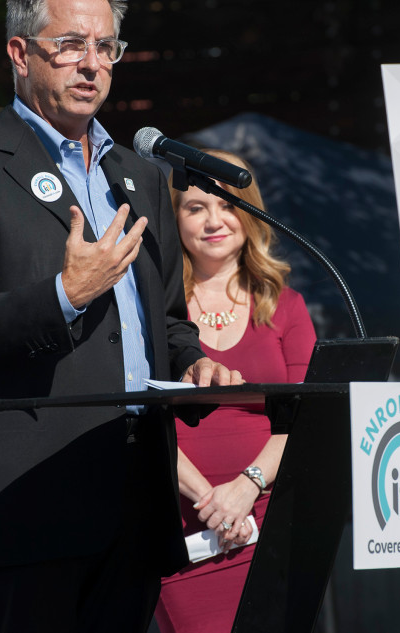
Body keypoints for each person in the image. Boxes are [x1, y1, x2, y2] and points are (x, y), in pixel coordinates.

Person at [0, 0, 242, 633]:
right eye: (70, 45)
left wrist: (197, 366)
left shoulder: (141, 176)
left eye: (107, 48)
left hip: (134, 494)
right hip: (29, 501)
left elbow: (167, 323)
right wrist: (65, 295)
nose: (92, 64)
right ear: (19, 53)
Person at [155, 150, 317, 633]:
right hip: (183, 521)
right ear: (174, 219)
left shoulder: (286, 306)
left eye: (227, 204)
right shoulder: (153, 313)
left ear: (249, 212)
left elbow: (307, 417)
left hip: (269, 517)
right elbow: (138, 417)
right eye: (195, 207)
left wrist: (246, 487)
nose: (214, 220)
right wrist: (212, 502)